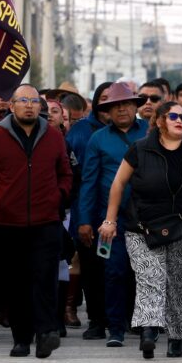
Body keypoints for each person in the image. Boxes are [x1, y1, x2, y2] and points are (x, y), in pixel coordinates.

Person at [99, 102, 182, 359]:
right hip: (142, 226)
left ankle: (177, 338)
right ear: (159, 121)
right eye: (173, 116)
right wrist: (110, 221)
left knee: (180, 283)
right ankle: (149, 331)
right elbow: (119, 183)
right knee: (151, 278)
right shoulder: (140, 149)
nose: (179, 120)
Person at [0, 85, 72, 359]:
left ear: (40, 107)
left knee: (45, 279)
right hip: (8, 223)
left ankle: (45, 334)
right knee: (15, 283)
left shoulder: (52, 136)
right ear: (11, 105)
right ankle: (21, 338)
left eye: (33, 101)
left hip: (46, 221)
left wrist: (58, 196)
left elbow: (65, 173)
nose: (29, 105)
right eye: (22, 101)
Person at [77, 82, 149, 347]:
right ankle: (115, 328)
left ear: (135, 107)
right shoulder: (99, 139)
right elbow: (89, 181)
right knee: (114, 272)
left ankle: (145, 326)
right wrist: (85, 220)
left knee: (144, 273)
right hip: (111, 220)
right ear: (107, 111)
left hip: (146, 218)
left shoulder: (149, 131)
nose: (122, 110)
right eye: (115, 106)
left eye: (127, 104)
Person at [66, 81, 113, 337]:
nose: (108, 103)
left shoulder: (135, 131)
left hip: (122, 215)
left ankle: (122, 319)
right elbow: (72, 174)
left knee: (119, 270)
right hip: (87, 211)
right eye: (103, 98)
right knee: (91, 269)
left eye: (113, 98)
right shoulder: (81, 131)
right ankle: (96, 320)